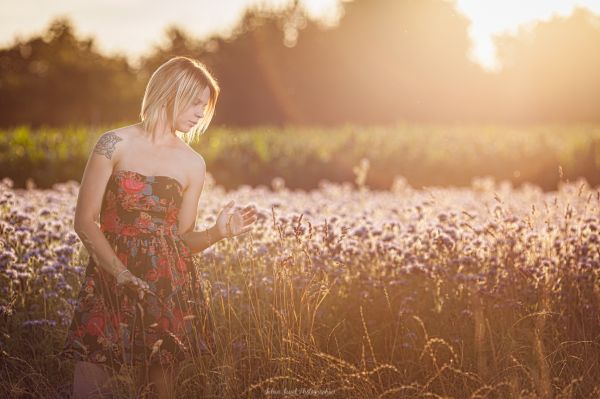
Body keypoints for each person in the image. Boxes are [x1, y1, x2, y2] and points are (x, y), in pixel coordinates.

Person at [59, 56, 258, 399]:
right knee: (90, 386)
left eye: (205, 106)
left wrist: (217, 232)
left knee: (158, 390)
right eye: (195, 102)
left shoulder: (193, 163)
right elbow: (85, 221)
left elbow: (182, 240)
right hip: (109, 277)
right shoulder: (113, 143)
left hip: (167, 284)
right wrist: (120, 274)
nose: (200, 113)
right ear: (170, 92)